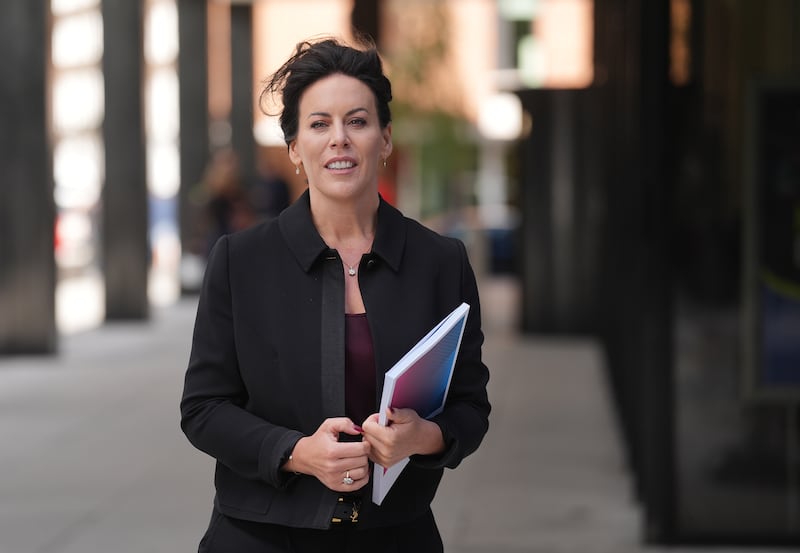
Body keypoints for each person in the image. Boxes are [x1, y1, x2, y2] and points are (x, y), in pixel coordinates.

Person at [180, 36, 490, 553]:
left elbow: (470, 408)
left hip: (397, 536)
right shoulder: (241, 261)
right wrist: (296, 452)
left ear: (385, 139)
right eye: (319, 124)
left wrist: (421, 438)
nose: (339, 139)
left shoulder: (441, 262)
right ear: (295, 148)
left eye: (358, 121)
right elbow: (204, 408)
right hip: (258, 537)